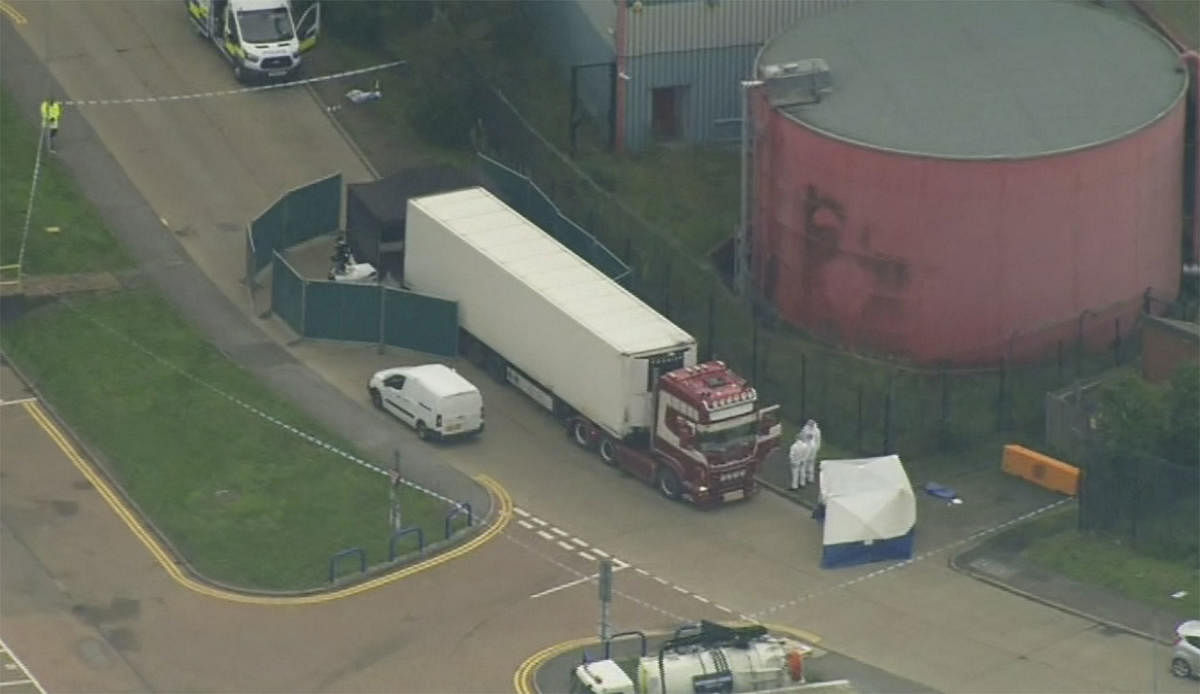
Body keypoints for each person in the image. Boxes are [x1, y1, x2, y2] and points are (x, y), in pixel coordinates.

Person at [800, 419, 823, 487]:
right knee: (809, 463)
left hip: (810, 449)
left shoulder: (814, 431)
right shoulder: (808, 429)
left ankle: (808, 478)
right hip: (809, 449)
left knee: (808, 463)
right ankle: (809, 478)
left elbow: (818, 440)